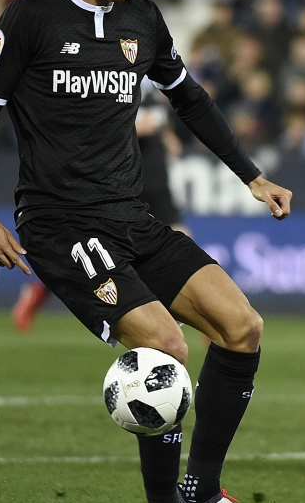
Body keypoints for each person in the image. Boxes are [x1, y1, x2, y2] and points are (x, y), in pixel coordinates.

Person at [0, 0, 291, 503]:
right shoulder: (30, 18)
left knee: (242, 326)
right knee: (164, 345)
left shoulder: (144, 19)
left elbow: (188, 99)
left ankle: (201, 493)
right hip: (60, 224)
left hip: (131, 218)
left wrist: (252, 175)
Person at [11, 87, 191, 333]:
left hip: (159, 186)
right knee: (98, 256)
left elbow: (163, 123)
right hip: (126, 183)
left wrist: (169, 137)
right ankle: (37, 293)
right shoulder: (112, 91)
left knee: (182, 242)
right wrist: (142, 126)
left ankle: (205, 320)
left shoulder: (155, 96)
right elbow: (106, 127)